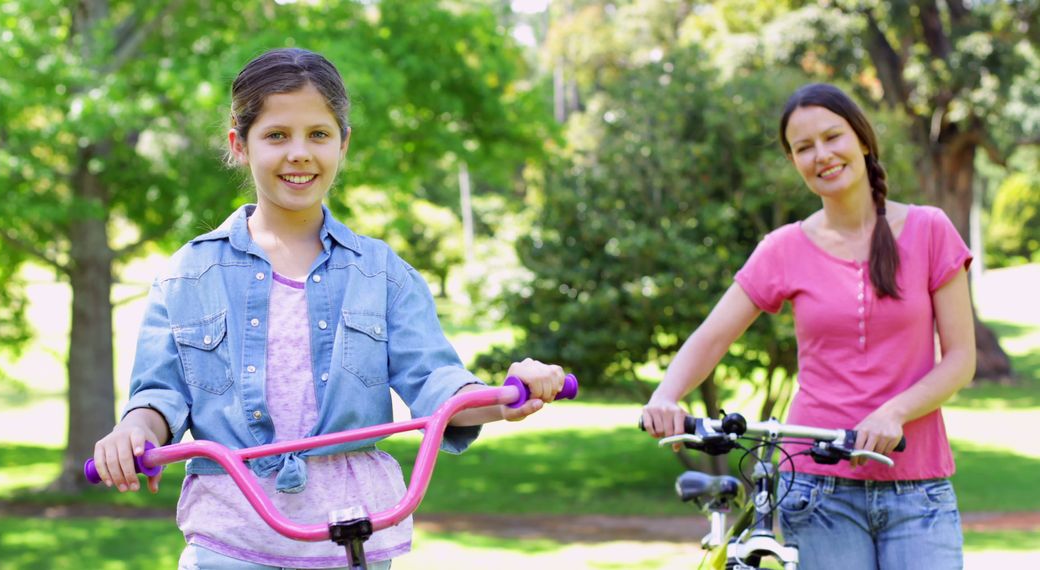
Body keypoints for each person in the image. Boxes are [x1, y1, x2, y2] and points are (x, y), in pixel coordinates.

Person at [90, 47, 567, 570]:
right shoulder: (187, 274)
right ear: (240, 145)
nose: (299, 153)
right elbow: (159, 394)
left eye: (318, 134)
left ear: (343, 143)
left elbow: (437, 384)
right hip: (231, 540)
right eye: (276, 135)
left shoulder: (383, 275)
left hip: (354, 535)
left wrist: (506, 396)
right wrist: (134, 431)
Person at [641, 83, 974, 569]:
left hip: (917, 489)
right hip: (817, 491)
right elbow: (711, 336)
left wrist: (893, 413)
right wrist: (665, 395)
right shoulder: (783, 248)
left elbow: (962, 359)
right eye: (803, 147)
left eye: (832, 136)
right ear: (794, 161)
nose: (821, 154)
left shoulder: (930, 230)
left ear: (862, 139)